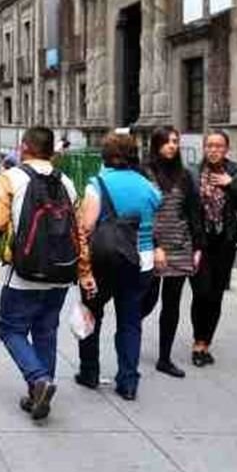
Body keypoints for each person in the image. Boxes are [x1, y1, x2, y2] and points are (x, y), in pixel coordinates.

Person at [0, 127, 87, 420]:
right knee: (46, 331)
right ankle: (39, 395)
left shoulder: (12, 177)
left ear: (24, 147)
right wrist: (84, 271)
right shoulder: (67, 182)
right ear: (52, 152)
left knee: (11, 329)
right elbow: (79, 230)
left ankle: (38, 379)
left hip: (24, 272)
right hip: (60, 271)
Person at [76, 133, 161, 401]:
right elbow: (153, 222)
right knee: (130, 321)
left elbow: (86, 227)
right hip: (140, 262)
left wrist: (82, 267)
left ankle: (89, 372)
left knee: (91, 313)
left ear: (106, 156)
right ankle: (128, 381)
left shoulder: (97, 185)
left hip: (103, 261)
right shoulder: (149, 187)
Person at [139, 127, 204, 378]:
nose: (172, 146)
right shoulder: (145, 172)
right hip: (150, 244)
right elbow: (141, 212)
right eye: (166, 142)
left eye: (175, 141)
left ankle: (164, 358)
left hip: (179, 244)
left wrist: (198, 246)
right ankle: (128, 339)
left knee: (172, 303)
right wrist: (154, 245)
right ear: (156, 145)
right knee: (147, 298)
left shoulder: (185, 175)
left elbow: (193, 212)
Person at [189, 130, 237, 367]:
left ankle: (205, 342)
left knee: (215, 294)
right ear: (204, 148)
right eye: (210, 146)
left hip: (224, 242)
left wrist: (231, 185)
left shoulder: (236, 171)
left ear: (226, 149)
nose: (214, 150)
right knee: (201, 292)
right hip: (199, 244)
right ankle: (197, 340)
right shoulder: (193, 173)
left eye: (219, 146)